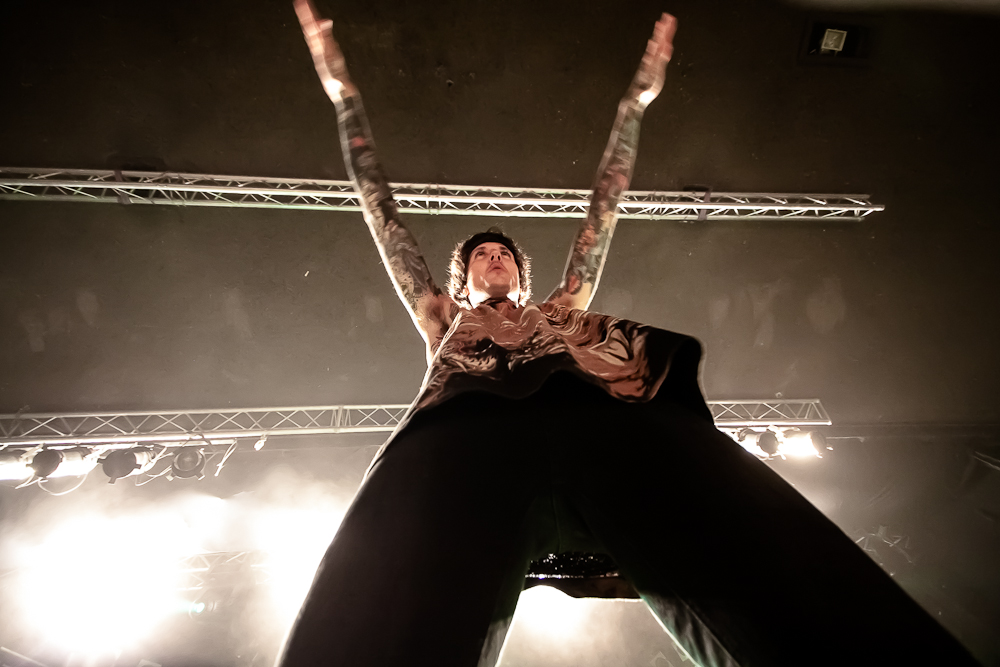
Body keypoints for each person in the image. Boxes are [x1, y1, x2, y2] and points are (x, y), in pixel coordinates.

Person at [280, 2, 981, 665]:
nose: (493, 256)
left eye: (503, 253)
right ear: (461, 282)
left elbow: (603, 211)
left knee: (750, 540)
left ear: (520, 274)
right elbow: (382, 214)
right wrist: (343, 97)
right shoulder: (443, 317)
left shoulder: (562, 308)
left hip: (600, 416)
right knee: (383, 587)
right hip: (465, 428)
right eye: (480, 254)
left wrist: (634, 106)